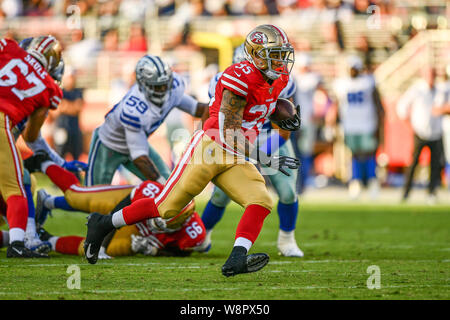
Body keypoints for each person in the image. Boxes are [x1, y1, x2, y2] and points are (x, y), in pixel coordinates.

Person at [84, 24, 301, 277]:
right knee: (167, 207)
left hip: (237, 154)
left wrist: (281, 115)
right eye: (274, 54)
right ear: (256, 55)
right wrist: (266, 159)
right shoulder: (239, 77)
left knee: (261, 201)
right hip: (211, 148)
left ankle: (237, 258)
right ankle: (102, 224)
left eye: (282, 54)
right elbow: (230, 134)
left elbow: (263, 105)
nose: (281, 61)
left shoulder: (279, 78)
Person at [198, 44, 304, 258]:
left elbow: (283, 131)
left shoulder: (280, 79)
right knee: (220, 195)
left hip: (269, 136)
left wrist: (260, 156)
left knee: (287, 191)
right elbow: (209, 116)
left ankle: (287, 239)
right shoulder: (227, 81)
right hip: (236, 138)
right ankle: (201, 235)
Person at [24, 154, 205, 258]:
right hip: (124, 201)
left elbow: (182, 252)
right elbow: (118, 211)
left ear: (182, 223)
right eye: (158, 217)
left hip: (137, 231)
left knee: (91, 249)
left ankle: (46, 240)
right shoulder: (152, 191)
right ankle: (43, 162)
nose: (156, 223)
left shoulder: (194, 233)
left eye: (163, 223)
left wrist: (155, 251)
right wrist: (101, 245)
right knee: (76, 196)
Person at [85, 54, 209, 187]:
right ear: (143, 84)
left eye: (165, 84)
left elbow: (199, 109)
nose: (163, 90)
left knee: (171, 188)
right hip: (108, 145)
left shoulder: (173, 88)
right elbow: (139, 158)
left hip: (138, 143)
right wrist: (159, 183)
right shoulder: (134, 109)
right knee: (93, 198)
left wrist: (203, 135)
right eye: (157, 86)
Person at [0, 35, 64, 257]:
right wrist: (59, 162)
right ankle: (20, 242)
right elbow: (31, 136)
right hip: (1, 121)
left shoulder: (8, 47)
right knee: (16, 190)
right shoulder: (49, 88)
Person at [331, 55, 385, 200]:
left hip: (367, 123)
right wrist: (333, 123)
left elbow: (378, 103)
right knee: (354, 154)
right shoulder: (341, 84)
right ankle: (356, 183)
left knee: (368, 153)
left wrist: (380, 124)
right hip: (350, 125)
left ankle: (372, 182)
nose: (352, 71)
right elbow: (337, 105)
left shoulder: (368, 82)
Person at [396, 67, 445, 203]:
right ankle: (406, 192)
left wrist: (442, 110)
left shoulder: (441, 90)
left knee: (435, 165)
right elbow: (401, 108)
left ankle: (431, 193)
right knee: (413, 164)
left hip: (436, 133)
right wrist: (410, 126)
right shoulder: (416, 90)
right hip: (420, 133)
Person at [53, 67, 84, 161]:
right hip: (61, 129)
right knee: (60, 156)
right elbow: (55, 111)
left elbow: (77, 108)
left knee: (76, 158)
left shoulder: (78, 91)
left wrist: (64, 106)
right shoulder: (60, 92)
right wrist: (70, 106)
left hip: (75, 131)